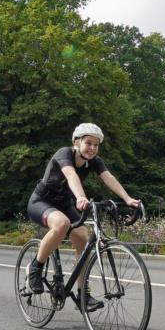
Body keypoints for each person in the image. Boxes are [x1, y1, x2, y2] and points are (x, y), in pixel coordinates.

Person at [25, 123, 141, 309]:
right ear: (76, 142)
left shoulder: (94, 161)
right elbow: (71, 175)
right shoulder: (64, 153)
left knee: (83, 238)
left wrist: (128, 199)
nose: (92, 148)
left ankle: (83, 295)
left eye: (96, 145)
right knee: (61, 224)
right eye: (88, 143)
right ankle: (35, 267)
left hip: (64, 204)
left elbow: (108, 178)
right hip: (41, 202)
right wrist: (80, 197)